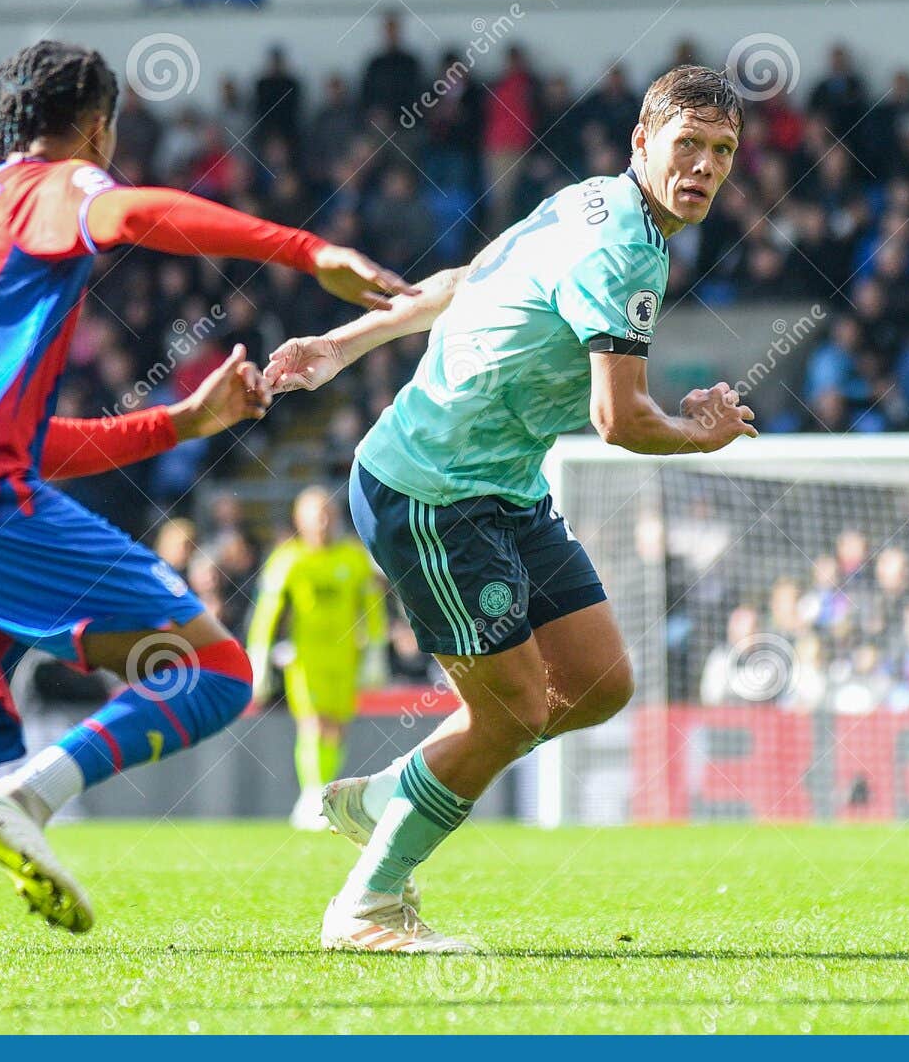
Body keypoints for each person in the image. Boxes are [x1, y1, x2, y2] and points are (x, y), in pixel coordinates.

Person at [0, 39, 409, 1007]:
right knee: (214, 672)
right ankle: (34, 792)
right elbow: (137, 212)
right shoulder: (50, 187)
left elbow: (38, 442)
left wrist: (182, 421)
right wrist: (309, 250)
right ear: (98, 125)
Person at [266, 65, 756, 952]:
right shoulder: (624, 249)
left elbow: (470, 277)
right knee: (515, 712)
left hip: (505, 487)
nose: (705, 167)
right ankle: (367, 908)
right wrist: (699, 434)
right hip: (432, 492)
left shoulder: (593, 201)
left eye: (722, 152)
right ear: (643, 142)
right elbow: (618, 419)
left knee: (600, 683)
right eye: (688, 144)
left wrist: (340, 345)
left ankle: (392, 793)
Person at [247, 485, 386, 828]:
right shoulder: (288, 559)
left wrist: (377, 652)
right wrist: (259, 656)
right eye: (315, 515)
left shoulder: (352, 558)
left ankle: (324, 792)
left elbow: (372, 607)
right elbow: (267, 612)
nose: (322, 522)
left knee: (336, 727)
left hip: (344, 655)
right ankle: (311, 795)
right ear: (300, 520)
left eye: (327, 514)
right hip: (306, 656)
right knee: (312, 722)